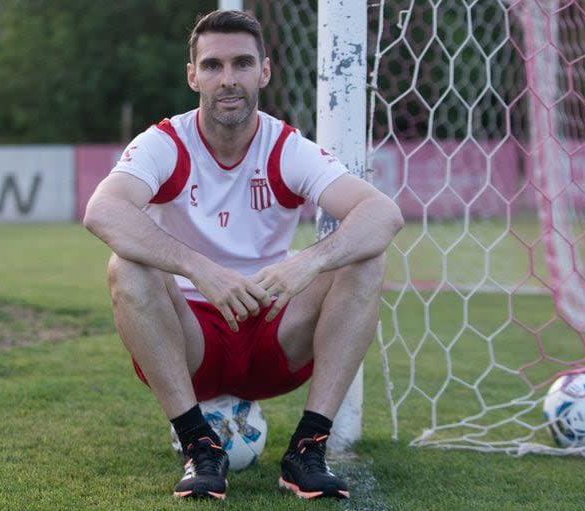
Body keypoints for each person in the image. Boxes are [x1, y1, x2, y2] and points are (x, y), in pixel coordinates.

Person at [84, 9, 403, 501]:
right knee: (125, 264)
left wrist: (308, 262)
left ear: (265, 71)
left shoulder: (285, 147)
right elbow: (102, 210)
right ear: (193, 75)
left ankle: (307, 449)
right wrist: (199, 268)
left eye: (242, 63)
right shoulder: (166, 143)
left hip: (273, 331)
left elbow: (383, 214)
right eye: (213, 66)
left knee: (366, 258)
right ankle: (199, 446)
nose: (228, 80)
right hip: (189, 343)